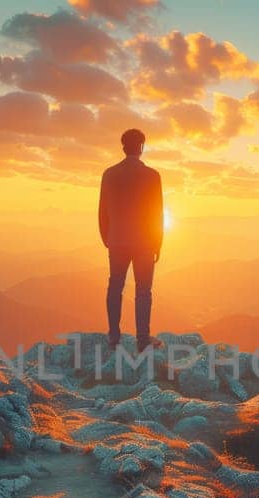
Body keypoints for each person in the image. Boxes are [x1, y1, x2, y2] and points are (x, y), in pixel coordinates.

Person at [98, 128, 163, 352]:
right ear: (142, 147)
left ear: (123, 147)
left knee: (115, 286)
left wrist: (108, 238)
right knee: (143, 291)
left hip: (116, 240)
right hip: (145, 241)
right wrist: (158, 242)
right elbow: (157, 213)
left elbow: (102, 210)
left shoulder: (109, 174)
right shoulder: (152, 176)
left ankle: (113, 337)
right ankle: (142, 340)